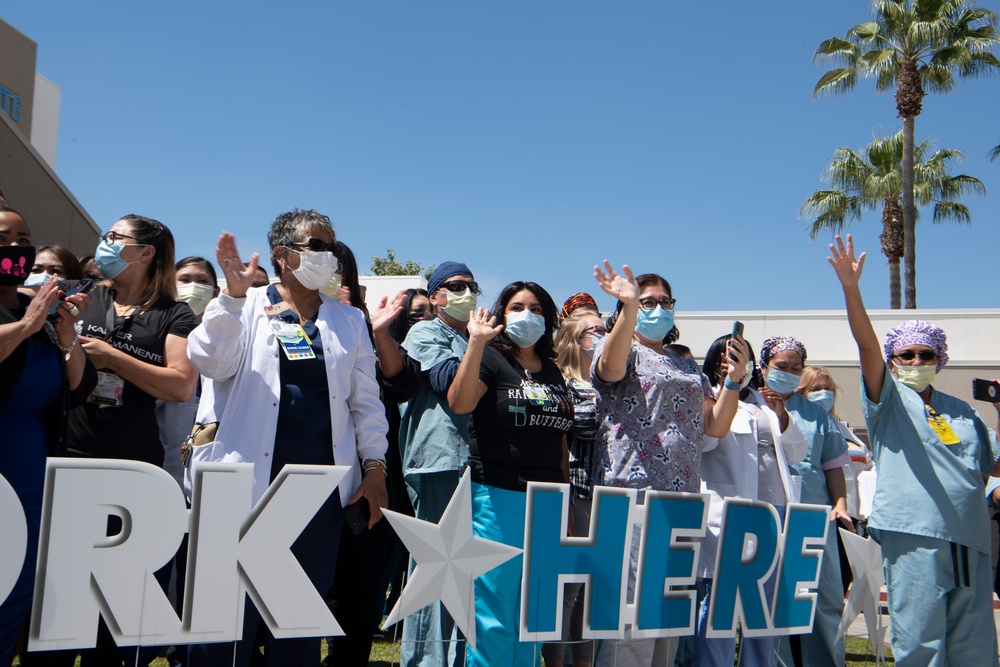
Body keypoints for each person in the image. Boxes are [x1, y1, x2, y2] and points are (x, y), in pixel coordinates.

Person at [185, 209, 389, 667]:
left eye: (332, 247)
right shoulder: (244, 303)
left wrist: (375, 468)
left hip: (314, 496)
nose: (330, 255)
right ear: (283, 255)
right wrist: (232, 300)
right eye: (318, 245)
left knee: (295, 630)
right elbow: (210, 362)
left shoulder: (349, 320)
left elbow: (366, 405)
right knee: (223, 627)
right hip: (241, 485)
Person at [829, 234, 1000, 667]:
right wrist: (851, 287)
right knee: (920, 646)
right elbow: (867, 345)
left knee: (975, 650)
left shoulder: (962, 411)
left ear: (939, 360)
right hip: (916, 536)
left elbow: (990, 465)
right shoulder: (889, 401)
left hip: (971, 540)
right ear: (893, 361)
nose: (917, 360)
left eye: (927, 354)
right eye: (907, 354)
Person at [55, 214, 199, 665]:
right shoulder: (87, 297)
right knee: (61, 597)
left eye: (115, 237)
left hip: (135, 468)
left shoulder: (174, 314)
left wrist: (113, 358)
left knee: (114, 608)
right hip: (72, 455)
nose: (105, 243)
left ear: (145, 252)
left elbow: (179, 385)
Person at [589, 263, 748, 667]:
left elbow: (715, 426)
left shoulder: (689, 366)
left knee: (668, 623)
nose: (658, 308)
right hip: (633, 496)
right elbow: (610, 367)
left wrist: (733, 380)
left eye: (664, 301)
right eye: (648, 302)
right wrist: (627, 307)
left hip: (682, 502)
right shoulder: (619, 348)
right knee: (631, 620)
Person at [448, 280, 573, 667]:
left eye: (536, 308)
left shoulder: (553, 370)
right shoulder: (490, 358)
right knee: (495, 613)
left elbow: (560, 441)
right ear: (502, 313)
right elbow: (459, 401)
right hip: (499, 497)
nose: (527, 314)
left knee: (533, 616)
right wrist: (475, 343)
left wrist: (565, 496)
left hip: (549, 501)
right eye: (517, 306)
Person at [0, 206, 96, 666]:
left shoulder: (35, 311)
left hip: (34, 474)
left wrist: (64, 330)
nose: (16, 249)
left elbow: (79, 386)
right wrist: (25, 327)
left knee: (17, 586)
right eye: (6, 237)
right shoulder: (25, 317)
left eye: (24, 239)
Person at [326, 248, 420, 666]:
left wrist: (377, 332)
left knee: (360, 590)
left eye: (340, 270)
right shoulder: (280, 321)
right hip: (306, 473)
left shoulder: (369, 328)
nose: (334, 280)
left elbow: (401, 385)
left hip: (372, 479)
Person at [690, 335, 807, 667]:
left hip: (773, 514)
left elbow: (798, 453)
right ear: (716, 365)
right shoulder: (709, 399)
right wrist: (729, 387)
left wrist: (782, 416)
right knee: (721, 605)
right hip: (730, 516)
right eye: (728, 360)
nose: (736, 366)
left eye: (743, 359)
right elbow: (708, 445)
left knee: (765, 607)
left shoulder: (766, 402)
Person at [398, 261, 480, 667]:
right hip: (439, 460)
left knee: (467, 569)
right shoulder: (425, 332)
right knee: (437, 569)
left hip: (477, 464)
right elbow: (449, 382)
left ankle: (461, 660)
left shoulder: (475, 339)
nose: (466, 292)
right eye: (455, 286)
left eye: (471, 285)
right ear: (434, 296)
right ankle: (425, 662)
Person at [758, 335, 849, 667]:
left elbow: (833, 465)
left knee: (823, 599)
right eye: (782, 366)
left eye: (797, 367)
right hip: (766, 516)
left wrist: (840, 505)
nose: (790, 372)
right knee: (772, 600)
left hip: (814, 517)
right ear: (764, 366)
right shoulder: (749, 405)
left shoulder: (816, 414)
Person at [541, 310, 606, 667]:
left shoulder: (611, 382)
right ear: (572, 340)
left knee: (592, 594)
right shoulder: (562, 384)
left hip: (608, 496)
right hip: (576, 492)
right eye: (595, 330)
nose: (604, 334)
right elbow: (579, 429)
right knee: (568, 590)